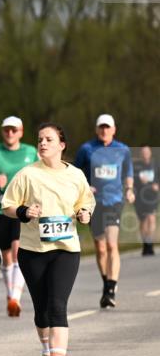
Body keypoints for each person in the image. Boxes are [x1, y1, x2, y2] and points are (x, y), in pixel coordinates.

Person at [2, 123, 94, 356]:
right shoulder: (27, 174)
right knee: (42, 309)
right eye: (40, 139)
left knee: (57, 305)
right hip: (33, 251)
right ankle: (46, 352)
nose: (42, 143)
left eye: (49, 139)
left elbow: (85, 202)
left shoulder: (75, 175)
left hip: (66, 250)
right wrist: (23, 212)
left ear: (61, 145)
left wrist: (84, 213)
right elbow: (7, 205)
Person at [74, 114, 135, 308]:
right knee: (100, 248)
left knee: (111, 245)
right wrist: (85, 187)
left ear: (114, 129)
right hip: (94, 203)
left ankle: (110, 289)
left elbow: (128, 172)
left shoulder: (122, 149)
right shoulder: (87, 149)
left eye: (108, 127)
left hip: (114, 201)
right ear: (96, 129)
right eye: (101, 127)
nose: (104, 130)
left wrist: (130, 189)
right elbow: (75, 173)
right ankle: (106, 282)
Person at [0, 116, 38, 316]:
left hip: (24, 209)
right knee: (6, 257)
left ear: (21, 132)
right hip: (1, 210)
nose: (10, 133)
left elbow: (41, 175)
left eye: (14, 130)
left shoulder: (31, 152)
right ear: (2, 131)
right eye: (7, 130)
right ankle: (10, 295)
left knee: (17, 252)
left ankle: (15, 297)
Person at [134, 146, 159, 256]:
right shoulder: (136, 167)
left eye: (147, 152)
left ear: (150, 153)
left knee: (151, 218)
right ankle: (145, 243)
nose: (145, 154)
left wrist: (157, 185)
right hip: (140, 197)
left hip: (152, 196)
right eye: (143, 152)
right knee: (143, 221)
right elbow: (131, 180)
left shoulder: (155, 165)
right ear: (140, 154)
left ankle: (150, 243)